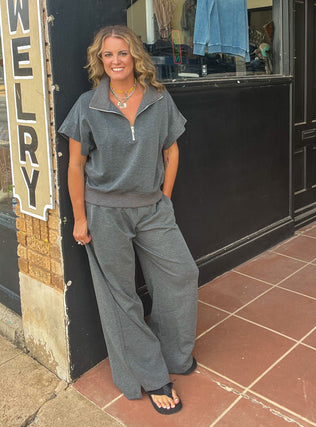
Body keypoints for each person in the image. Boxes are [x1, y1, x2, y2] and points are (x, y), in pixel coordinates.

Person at [58, 25, 199, 415]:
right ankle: (152, 375)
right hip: (104, 212)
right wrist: (80, 219)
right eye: (108, 55)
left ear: (135, 56)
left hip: (152, 208)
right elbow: (75, 166)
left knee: (181, 274)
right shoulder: (87, 105)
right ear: (99, 61)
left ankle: (174, 353)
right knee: (121, 296)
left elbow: (171, 153)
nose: (116, 61)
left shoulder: (158, 98)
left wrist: (164, 199)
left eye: (122, 53)